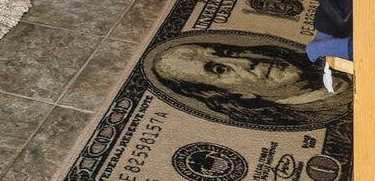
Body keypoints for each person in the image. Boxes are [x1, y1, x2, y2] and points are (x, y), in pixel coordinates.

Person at [145, 33, 345, 131]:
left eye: (228, 52)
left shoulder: (331, 61)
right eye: (220, 69)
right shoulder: (317, 112)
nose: (246, 61)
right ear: (236, 95)